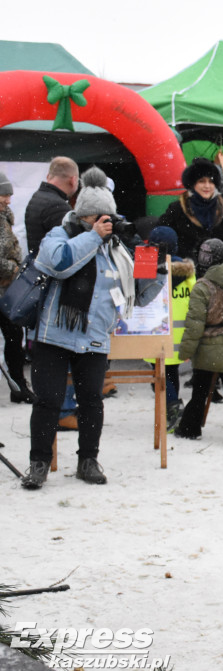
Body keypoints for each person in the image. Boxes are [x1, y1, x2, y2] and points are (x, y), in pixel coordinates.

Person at [20, 167, 161, 490]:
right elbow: (58, 263)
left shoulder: (116, 247)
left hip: (95, 338)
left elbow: (139, 297)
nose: (103, 223)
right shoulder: (61, 234)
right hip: (54, 334)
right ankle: (39, 463)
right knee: (48, 402)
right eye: (96, 217)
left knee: (91, 402)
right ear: (81, 216)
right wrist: (92, 236)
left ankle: (88, 460)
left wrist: (157, 268)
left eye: (106, 217)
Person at [174, 238, 223, 446]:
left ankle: (190, 427)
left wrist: (185, 351)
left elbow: (195, 324)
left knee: (200, 389)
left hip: (209, 346)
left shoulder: (203, 287)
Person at [143, 226, 195, 430]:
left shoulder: (148, 270)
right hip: (179, 335)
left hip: (156, 331)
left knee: (158, 374)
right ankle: (172, 408)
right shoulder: (188, 271)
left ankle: (172, 407)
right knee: (170, 371)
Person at [158, 157, 223, 263]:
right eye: (202, 181)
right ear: (193, 184)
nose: (207, 186)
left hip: (218, 269)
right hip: (187, 269)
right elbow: (163, 233)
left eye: (211, 182)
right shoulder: (178, 208)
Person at [0, 171, 34, 403]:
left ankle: (18, 386)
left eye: (9, 195)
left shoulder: (5, 217)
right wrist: (12, 268)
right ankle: (18, 387)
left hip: (5, 291)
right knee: (13, 337)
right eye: (3, 195)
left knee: (14, 337)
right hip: (4, 284)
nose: (7, 200)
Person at [24, 156, 78, 256]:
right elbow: (70, 249)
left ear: (48, 176)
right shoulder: (58, 206)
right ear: (73, 180)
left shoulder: (38, 196)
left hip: (38, 264)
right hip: (50, 268)